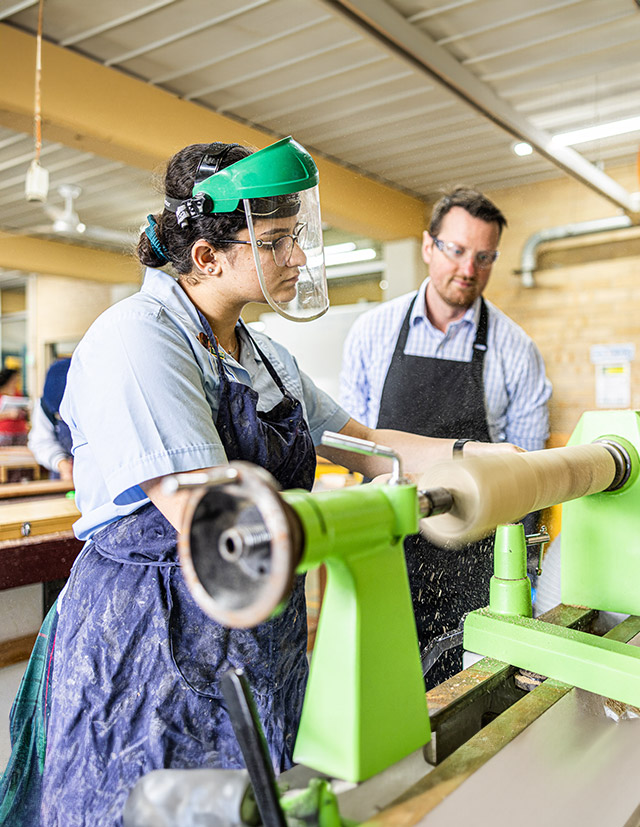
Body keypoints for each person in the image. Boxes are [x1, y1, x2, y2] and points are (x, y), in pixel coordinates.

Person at [0, 139, 520, 827]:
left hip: (256, 632)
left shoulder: (266, 357)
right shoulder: (138, 338)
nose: (298, 257)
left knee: (255, 800)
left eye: (294, 236)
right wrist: (332, 513)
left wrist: (484, 456)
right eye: (275, 241)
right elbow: (207, 513)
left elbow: (366, 446)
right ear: (207, 257)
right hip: (153, 637)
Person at [340, 187, 552, 687]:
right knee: (382, 690)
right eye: (456, 250)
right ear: (428, 246)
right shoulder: (372, 333)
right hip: (387, 547)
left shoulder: (515, 350)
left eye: (484, 257)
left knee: (474, 696)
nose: (468, 268)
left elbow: (529, 479)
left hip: (479, 562)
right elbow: (354, 445)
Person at [27, 358, 73, 480]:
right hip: (64, 477)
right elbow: (41, 442)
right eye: (59, 416)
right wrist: (61, 463)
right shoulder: (45, 405)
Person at [0, 367, 29, 447]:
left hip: (20, 432)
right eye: (14, 379)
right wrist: (8, 414)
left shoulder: (18, 394)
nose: (16, 381)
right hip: (3, 433)